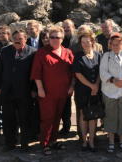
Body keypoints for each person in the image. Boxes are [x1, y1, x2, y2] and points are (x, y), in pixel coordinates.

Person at [31, 26, 75, 156]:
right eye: (52, 37)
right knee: (47, 118)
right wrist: (40, 88)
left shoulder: (67, 52)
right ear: (48, 38)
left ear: (62, 38)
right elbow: (36, 72)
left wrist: (72, 86)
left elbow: (73, 72)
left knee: (57, 117)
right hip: (47, 92)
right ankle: (44, 143)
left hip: (63, 92)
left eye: (58, 37)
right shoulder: (41, 52)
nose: (55, 39)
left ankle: (53, 140)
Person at [0, 29, 37, 152]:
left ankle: (24, 143)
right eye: (15, 38)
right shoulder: (5, 51)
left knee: (24, 118)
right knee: (8, 119)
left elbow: (36, 73)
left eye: (20, 38)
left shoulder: (33, 52)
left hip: (25, 92)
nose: (17, 41)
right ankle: (10, 142)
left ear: (25, 39)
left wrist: (34, 89)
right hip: (7, 91)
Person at [72, 30, 101, 152]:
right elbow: (78, 74)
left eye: (87, 41)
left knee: (93, 116)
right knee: (83, 115)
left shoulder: (98, 55)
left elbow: (101, 72)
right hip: (82, 90)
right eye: (83, 42)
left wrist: (96, 86)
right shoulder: (78, 55)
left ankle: (92, 141)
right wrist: (91, 86)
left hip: (96, 89)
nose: (85, 44)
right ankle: (84, 141)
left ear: (92, 42)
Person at [60, 19, 78, 134]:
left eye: (68, 26)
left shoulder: (78, 39)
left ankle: (82, 127)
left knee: (79, 101)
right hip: (66, 76)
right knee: (66, 102)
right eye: (64, 27)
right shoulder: (59, 40)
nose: (66, 29)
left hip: (80, 75)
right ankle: (66, 126)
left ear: (74, 27)